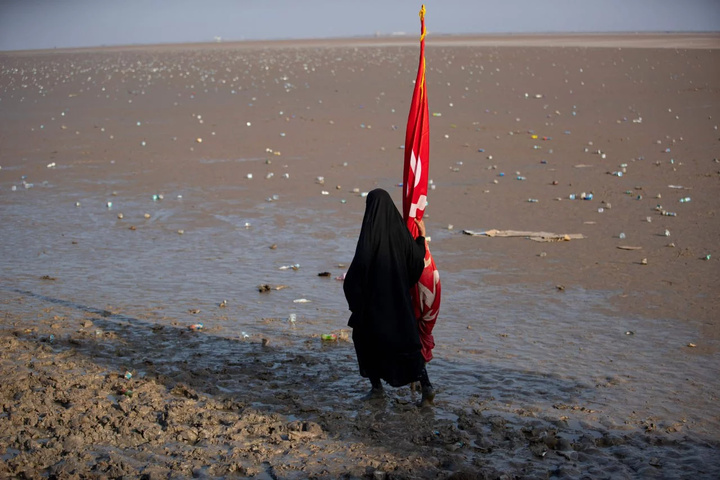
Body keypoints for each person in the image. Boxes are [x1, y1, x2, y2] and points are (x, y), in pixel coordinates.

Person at [343, 188, 435, 405]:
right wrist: (421, 237)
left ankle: (376, 389)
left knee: (365, 340)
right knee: (406, 345)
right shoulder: (400, 233)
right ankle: (427, 387)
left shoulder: (369, 235)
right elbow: (416, 262)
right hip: (399, 306)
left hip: (374, 307)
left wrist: (355, 299)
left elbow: (358, 270)